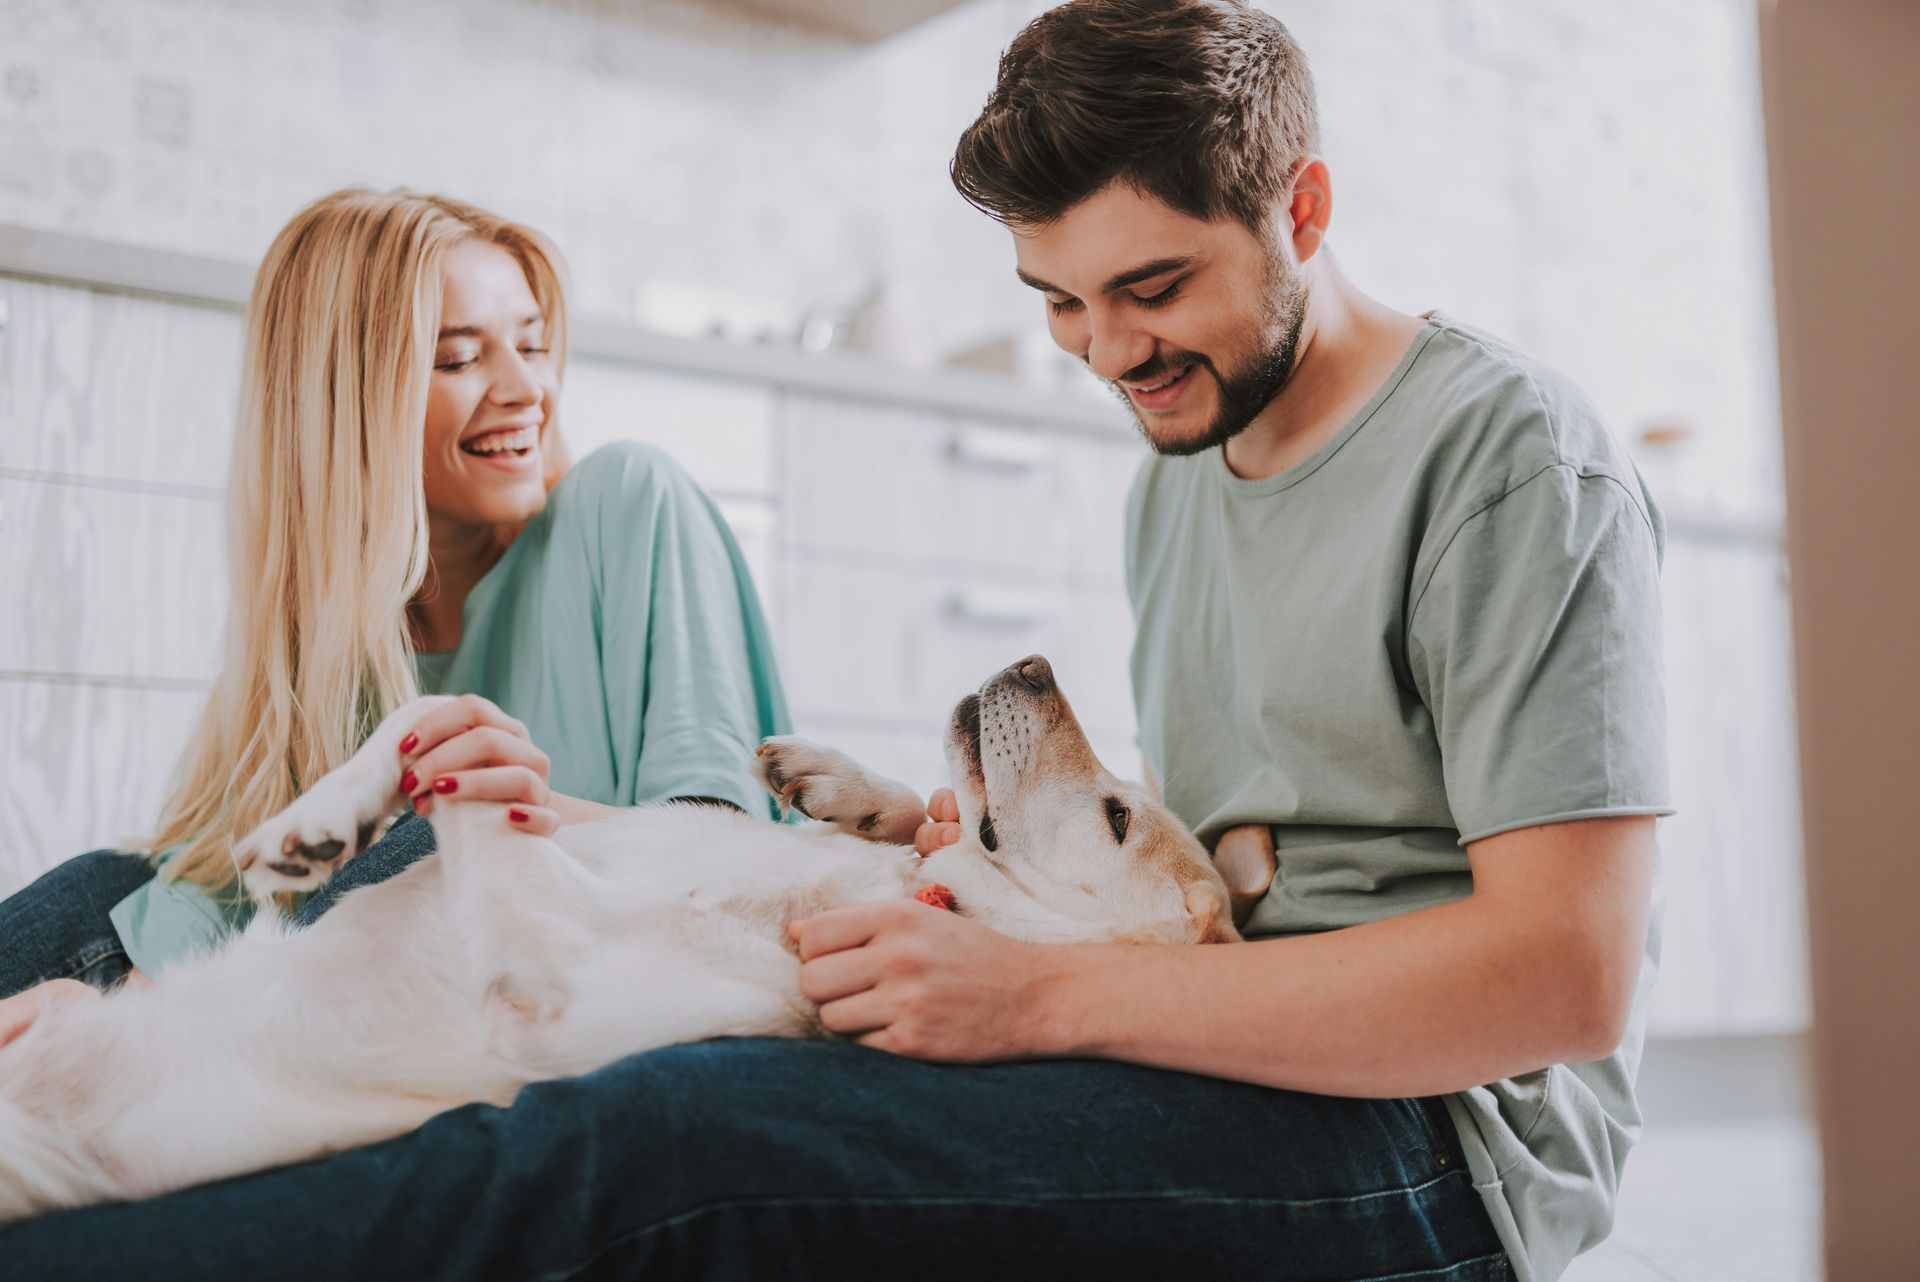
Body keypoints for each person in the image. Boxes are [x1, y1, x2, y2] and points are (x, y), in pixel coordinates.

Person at [0, 5, 1664, 1281]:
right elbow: (1253, 848)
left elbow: (1561, 980)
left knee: (652, 1145)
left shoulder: (1507, 455)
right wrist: (1001, 883)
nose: (1104, 351)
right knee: (120, 904)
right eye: (1059, 303)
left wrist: (1042, 993)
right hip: (1209, 1023)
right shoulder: (1188, 458)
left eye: (1149, 287)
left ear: (1302, 202)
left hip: (1437, 1145)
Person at [0, 188, 790, 1049]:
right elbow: (226, 887)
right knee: (106, 887)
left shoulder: (629, 500)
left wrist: (499, 811)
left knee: (422, 843)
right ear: (348, 402)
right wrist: (122, 990)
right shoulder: (336, 636)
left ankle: (135, 1053)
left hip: (615, 967)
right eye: (459, 360)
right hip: (409, 987)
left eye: (532, 345)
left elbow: (726, 853)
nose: (528, 390)